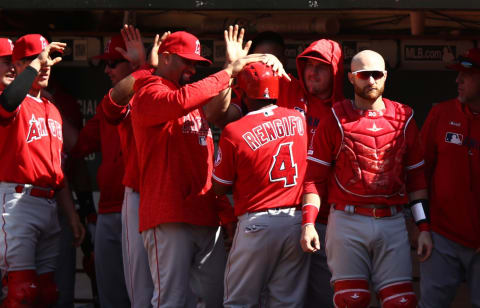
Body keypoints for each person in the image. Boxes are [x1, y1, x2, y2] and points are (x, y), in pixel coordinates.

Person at [130, 29, 280, 307]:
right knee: (171, 301)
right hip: (168, 213)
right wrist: (228, 72)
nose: (191, 68)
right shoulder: (149, 91)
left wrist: (225, 214)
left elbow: (208, 156)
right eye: (185, 60)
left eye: (195, 63)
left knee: (214, 298)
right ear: (164, 57)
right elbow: (178, 102)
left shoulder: (194, 99)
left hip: (204, 215)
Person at [301, 50, 433, 308]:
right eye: (363, 75)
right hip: (347, 220)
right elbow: (314, 179)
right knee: (352, 300)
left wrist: (423, 227)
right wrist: (308, 224)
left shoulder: (404, 118)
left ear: (385, 76)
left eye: (376, 74)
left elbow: (416, 179)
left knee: (401, 301)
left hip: (393, 219)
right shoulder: (336, 118)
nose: (370, 80)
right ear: (351, 78)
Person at [212, 61, 308, 307]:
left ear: (242, 94)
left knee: (238, 302)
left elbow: (220, 186)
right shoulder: (298, 119)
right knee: (286, 302)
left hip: (258, 224)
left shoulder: (234, 131)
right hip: (295, 221)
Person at [0, 34, 84, 308]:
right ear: (19, 65)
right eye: (37, 59)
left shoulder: (52, 109)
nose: (45, 65)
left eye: (48, 60)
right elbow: (9, 101)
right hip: (16, 201)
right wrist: (37, 64)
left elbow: (58, 171)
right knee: (21, 292)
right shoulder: (11, 100)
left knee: (47, 293)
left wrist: (72, 215)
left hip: (48, 203)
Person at [277, 38, 344, 308]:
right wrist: (257, 60)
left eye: (322, 67)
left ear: (336, 73)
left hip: (324, 220)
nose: (312, 72)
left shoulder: (344, 113)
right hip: (283, 214)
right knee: (281, 299)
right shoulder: (288, 90)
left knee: (323, 299)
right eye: (309, 65)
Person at [70, 33, 131, 308]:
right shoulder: (107, 105)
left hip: (142, 209)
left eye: (114, 63)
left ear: (133, 62)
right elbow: (80, 145)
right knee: (111, 297)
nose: (107, 70)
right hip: (108, 208)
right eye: (106, 63)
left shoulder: (155, 96)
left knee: (148, 295)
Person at [419, 48, 480, 308]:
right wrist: (422, 227)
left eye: (467, 74)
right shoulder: (441, 114)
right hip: (443, 236)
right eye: (458, 75)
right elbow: (419, 174)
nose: (458, 81)